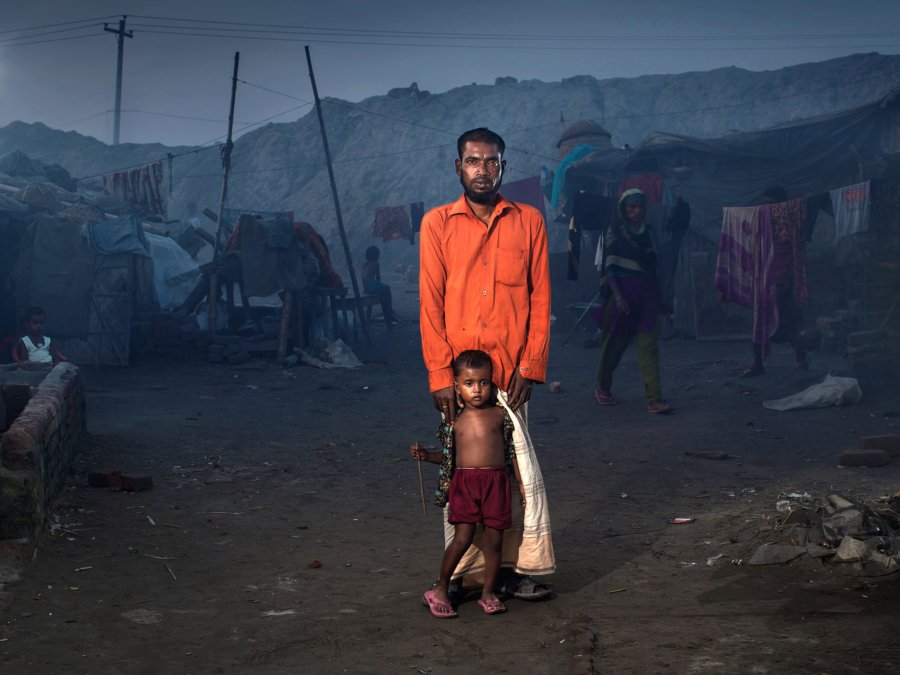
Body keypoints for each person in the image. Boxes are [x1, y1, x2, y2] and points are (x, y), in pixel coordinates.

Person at [418, 127, 555, 602]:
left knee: (514, 479)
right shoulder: (436, 224)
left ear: (503, 166)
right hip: (462, 380)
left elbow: (541, 299)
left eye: (492, 161)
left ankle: (511, 571)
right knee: (462, 477)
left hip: (510, 379)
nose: (483, 169)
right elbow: (429, 303)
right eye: (473, 161)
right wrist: (441, 377)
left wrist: (530, 366)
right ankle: (461, 576)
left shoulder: (529, 221)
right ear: (458, 167)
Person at [411, 350, 526, 618]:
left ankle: (488, 593)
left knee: (494, 541)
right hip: (465, 483)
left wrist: (520, 484)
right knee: (462, 538)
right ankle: (440, 589)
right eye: (469, 383)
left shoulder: (500, 415)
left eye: (484, 383)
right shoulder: (454, 421)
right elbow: (450, 458)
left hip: (496, 483)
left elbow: (512, 453)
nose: (477, 390)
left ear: (492, 383)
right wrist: (427, 456)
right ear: (456, 386)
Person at [593, 189, 672, 414]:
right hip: (624, 299)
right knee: (613, 348)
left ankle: (654, 399)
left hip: (648, 296)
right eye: (631, 207)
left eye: (640, 206)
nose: (636, 211)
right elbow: (610, 267)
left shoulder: (649, 233)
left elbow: (655, 267)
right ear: (623, 210)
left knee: (648, 348)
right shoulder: (615, 233)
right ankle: (602, 387)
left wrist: (662, 298)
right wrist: (618, 297)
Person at [740, 186, 811, 377]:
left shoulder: (789, 223)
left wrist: (789, 281)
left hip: (784, 281)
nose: (767, 208)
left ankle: (802, 359)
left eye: (771, 203)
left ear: (781, 205)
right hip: (764, 280)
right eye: (766, 204)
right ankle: (757, 364)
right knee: (759, 322)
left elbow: (795, 253)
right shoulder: (763, 226)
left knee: (789, 322)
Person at [361, 245, 399, 326]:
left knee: (384, 291)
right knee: (387, 289)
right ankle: (389, 310)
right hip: (372, 285)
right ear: (376, 256)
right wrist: (380, 287)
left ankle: (388, 312)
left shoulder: (364, 265)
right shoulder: (376, 263)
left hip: (366, 287)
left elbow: (363, 277)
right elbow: (378, 278)